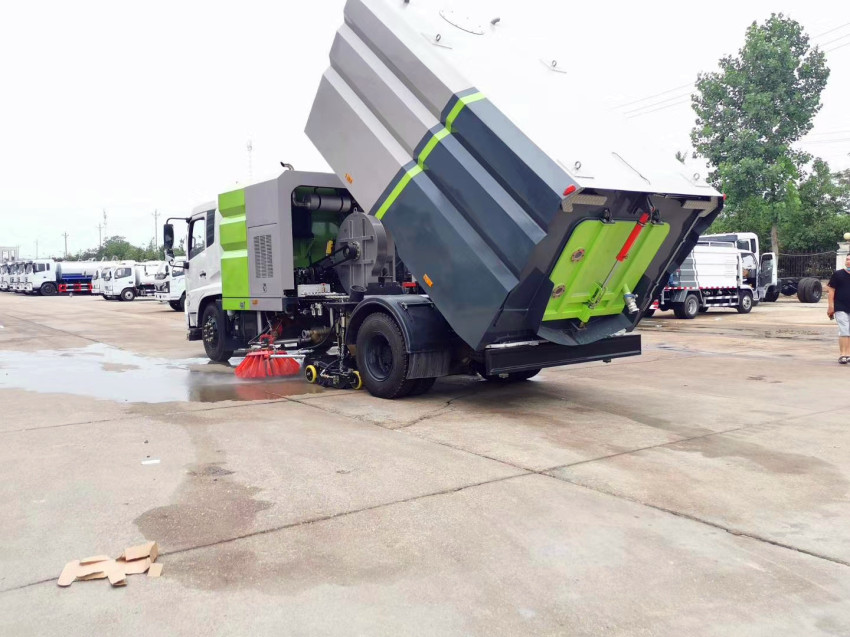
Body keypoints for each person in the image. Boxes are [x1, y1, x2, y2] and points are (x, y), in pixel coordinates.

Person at [827, 253, 850, 364]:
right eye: (847, 259)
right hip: (840, 307)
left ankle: (848, 354)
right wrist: (831, 306)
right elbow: (831, 290)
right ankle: (843, 354)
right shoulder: (838, 274)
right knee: (844, 330)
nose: (848, 261)